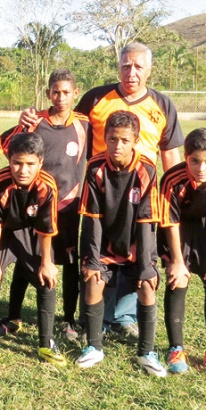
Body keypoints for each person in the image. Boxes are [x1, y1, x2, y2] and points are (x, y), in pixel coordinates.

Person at [21, 42, 184, 339]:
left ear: (149, 69)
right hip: (100, 192)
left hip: (141, 197)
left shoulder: (163, 104)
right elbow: (65, 120)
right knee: (96, 253)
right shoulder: (96, 98)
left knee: (136, 254)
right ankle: (93, 318)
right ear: (118, 66)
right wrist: (33, 118)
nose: (131, 73)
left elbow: (170, 154)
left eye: (137, 67)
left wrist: (169, 199)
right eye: (125, 66)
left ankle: (123, 316)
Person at [0, 69, 90, 341]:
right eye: (55, 91)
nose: (60, 97)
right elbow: (7, 145)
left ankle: (70, 320)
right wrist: (20, 123)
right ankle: (13, 315)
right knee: (30, 259)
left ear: (75, 93)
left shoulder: (84, 124)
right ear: (48, 93)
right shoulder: (35, 120)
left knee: (69, 263)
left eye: (66, 92)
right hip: (35, 205)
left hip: (68, 206)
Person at [76, 111, 165, 377]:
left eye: (125, 140)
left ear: (135, 140)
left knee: (148, 283)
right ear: (105, 138)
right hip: (103, 245)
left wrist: (146, 263)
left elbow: (147, 220)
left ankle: (146, 352)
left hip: (136, 244)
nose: (118, 146)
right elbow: (92, 219)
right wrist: (93, 260)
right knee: (93, 281)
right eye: (113, 139)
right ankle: (94, 346)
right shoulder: (95, 167)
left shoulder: (146, 169)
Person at [0, 132, 66, 367]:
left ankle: (46, 343)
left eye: (30, 164)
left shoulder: (47, 185)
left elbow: (46, 229)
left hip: (31, 234)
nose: (23, 170)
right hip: (3, 234)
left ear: (40, 163)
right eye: (17, 163)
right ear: (9, 159)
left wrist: (47, 262)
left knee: (47, 280)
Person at [158, 128, 206, 374]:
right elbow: (169, 222)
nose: (201, 168)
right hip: (178, 230)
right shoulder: (171, 179)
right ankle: (176, 348)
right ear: (186, 157)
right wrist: (177, 261)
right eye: (195, 160)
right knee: (178, 280)